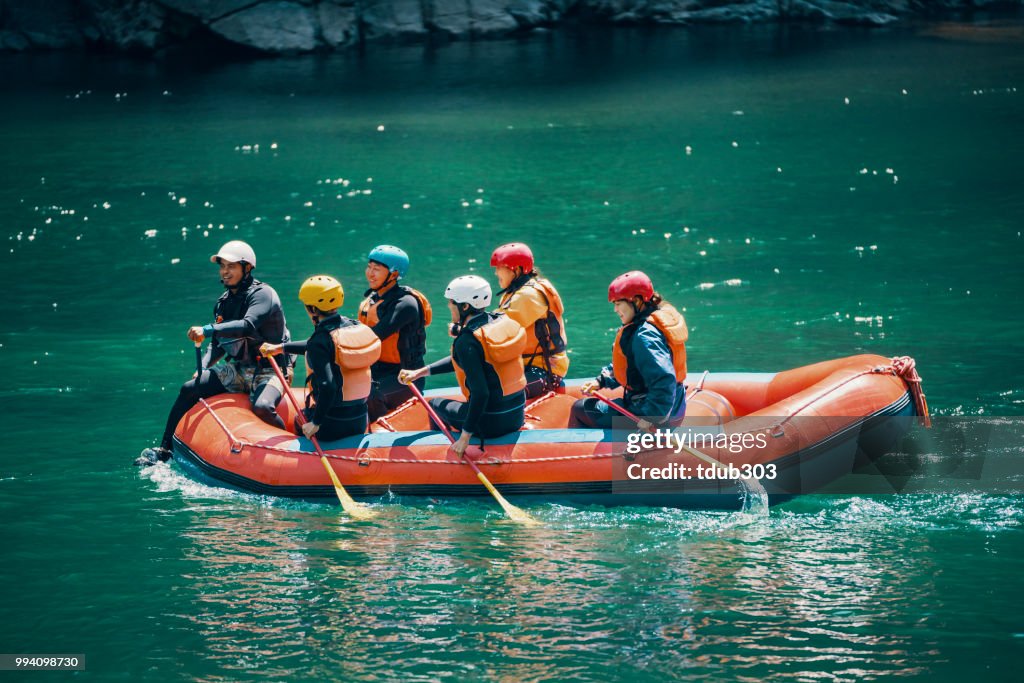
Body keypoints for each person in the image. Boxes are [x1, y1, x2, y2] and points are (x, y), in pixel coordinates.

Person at [136, 240, 291, 466]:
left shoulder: (264, 295)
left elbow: (248, 325)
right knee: (190, 388)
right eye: (222, 266)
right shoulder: (224, 303)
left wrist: (207, 329)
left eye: (231, 266)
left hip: (271, 370)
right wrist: (204, 367)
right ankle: (165, 449)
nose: (225, 272)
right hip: (240, 370)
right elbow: (219, 343)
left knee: (262, 407)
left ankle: (291, 447)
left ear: (246, 268)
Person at [399, 275, 527, 457]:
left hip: (491, 423)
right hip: (515, 415)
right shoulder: (499, 321)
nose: (449, 306)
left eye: (452, 302)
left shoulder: (467, 341)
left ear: (465, 306)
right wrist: (422, 372)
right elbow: (469, 360)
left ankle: (436, 453)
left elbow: (481, 393)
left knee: (435, 404)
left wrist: (465, 437)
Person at [262, 275, 381, 441]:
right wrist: (281, 348)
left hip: (333, 423)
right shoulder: (353, 325)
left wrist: (315, 423)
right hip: (360, 418)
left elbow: (328, 385)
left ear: (312, 308)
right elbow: (318, 346)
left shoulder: (321, 340)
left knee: (300, 419)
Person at [570, 271, 688, 430]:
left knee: (581, 408)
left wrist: (652, 418)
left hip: (655, 415)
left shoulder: (644, 336)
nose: (615, 310)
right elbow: (630, 366)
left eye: (618, 304)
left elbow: (664, 379)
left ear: (637, 301)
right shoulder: (650, 321)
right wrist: (601, 381)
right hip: (675, 407)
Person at [356, 245, 432, 419]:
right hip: (376, 371)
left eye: (377, 269)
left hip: (406, 377)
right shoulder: (374, 299)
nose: (370, 273)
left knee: (371, 395)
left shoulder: (406, 304)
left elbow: (374, 336)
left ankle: (378, 436)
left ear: (394, 274)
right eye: (369, 267)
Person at [490, 242, 569, 398]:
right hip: (527, 366)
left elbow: (498, 329)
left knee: (494, 393)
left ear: (516, 270)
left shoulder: (529, 295)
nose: (496, 273)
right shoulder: (517, 292)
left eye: (499, 268)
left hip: (543, 371)